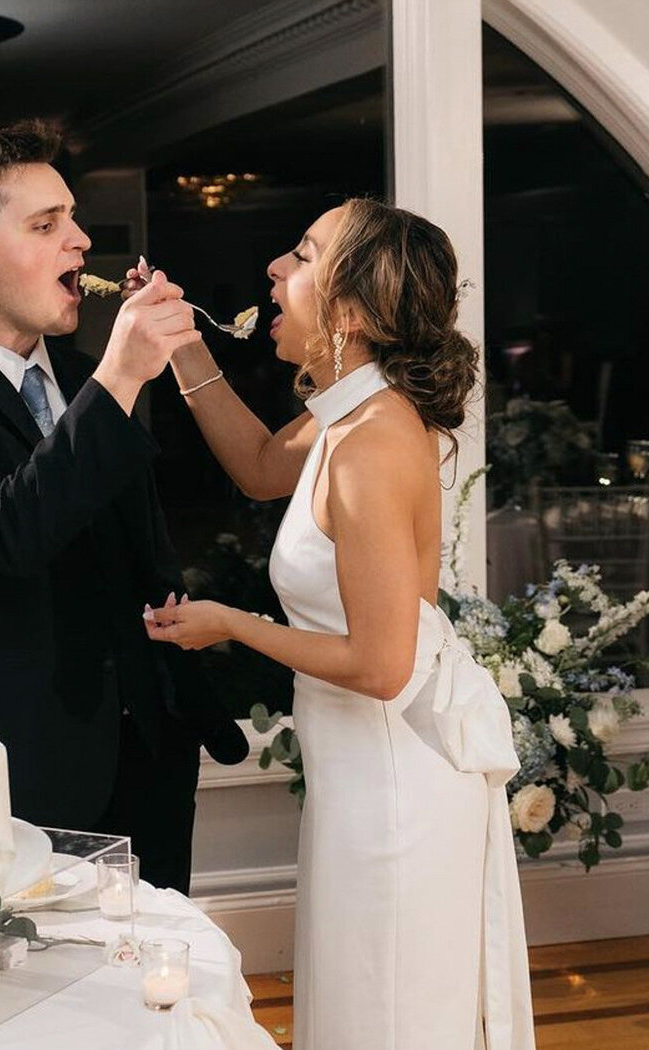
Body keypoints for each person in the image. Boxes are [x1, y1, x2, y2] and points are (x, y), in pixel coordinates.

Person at [145, 201, 536, 1048]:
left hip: (396, 787)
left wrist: (233, 624)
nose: (274, 273)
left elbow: (381, 664)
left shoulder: (373, 440)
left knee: (385, 1015)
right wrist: (182, 346)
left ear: (350, 312)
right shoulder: (350, 413)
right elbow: (256, 470)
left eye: (301, 255)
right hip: (359, 776)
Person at [0, 120, 247, 893]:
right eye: (46, 225)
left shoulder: (78, 374)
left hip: (149, 743)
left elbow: (132, 543)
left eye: (72, 218)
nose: (80, 242)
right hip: (16, 760)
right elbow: (6, 531)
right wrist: (123, 377)